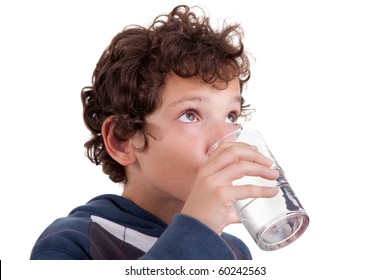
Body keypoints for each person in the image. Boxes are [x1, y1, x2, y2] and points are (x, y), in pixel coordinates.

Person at [30, 4, 279, 260]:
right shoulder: (72, 243)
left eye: (231, 116)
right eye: (190, 115)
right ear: (123, 140)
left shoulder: (233, 252)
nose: (223, 140)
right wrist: (198, 229)